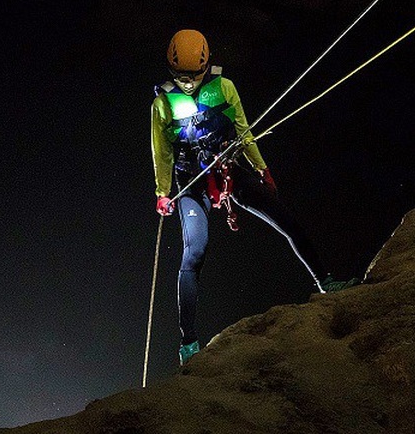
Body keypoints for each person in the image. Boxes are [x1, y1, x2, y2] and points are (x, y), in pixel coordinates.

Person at [151, 29, 358, 365]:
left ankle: (327, 282)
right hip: (192, 183)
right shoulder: (162, 103)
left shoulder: (225, 88)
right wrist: (163, 192)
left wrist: (261, 168)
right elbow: (161, 151)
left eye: (193, 76)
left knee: (285, 218)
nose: (188, 83)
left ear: (206, 66)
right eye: (181, 77)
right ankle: (188, 344)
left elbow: (244, 131)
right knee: (194, 252)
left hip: (229, 170)